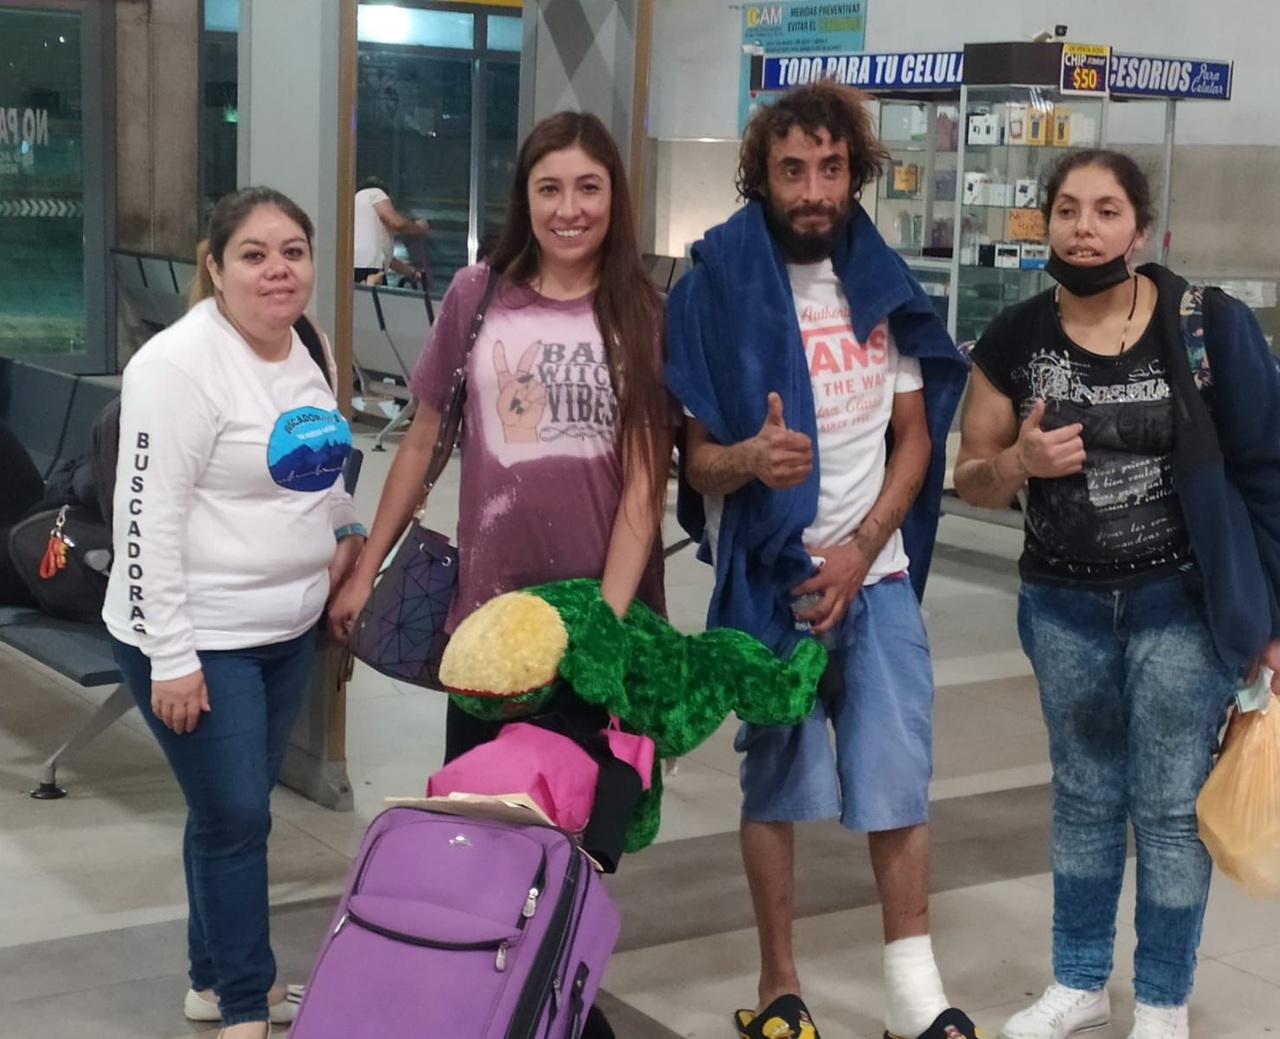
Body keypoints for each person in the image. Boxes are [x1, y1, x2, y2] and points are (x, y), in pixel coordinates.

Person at [328, 110, 672, 1039]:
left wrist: (601, 628)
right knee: (481, 840)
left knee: (579, 848)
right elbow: (423, 440)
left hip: (594, 628)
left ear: (615, 198)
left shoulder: (641, 311)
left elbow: (647, 483)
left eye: (589, 187)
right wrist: (367, 567)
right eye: (549, 188)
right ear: (525, 196)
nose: (569, 208)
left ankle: (551, 1010)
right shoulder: (478, 296)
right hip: (487, 632)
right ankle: (488, 1007)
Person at [664, 81, 973, 1039]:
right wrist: (750, 459)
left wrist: (863, 547)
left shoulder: (879, 281)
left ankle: (915, 997)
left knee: (897, 778)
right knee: (777, 781)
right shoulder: (716, 286)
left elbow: (915, 441)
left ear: (855, 173)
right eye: (792, 169)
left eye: (831, 168)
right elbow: (694, 460)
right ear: (761, 175)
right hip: (771, 579)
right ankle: (780, 986)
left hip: (873, 576)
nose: (813, 190)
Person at [954, 149, 1280, 1039]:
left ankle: (1164, 999)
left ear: (1140, 229)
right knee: (1085, 796)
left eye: (1106, 211)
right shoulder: (1015, 338)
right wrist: (1018, 461)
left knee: (1171, 808)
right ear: (1046, 222)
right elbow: (970, 474)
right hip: (1063, 606)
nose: (1084, 228)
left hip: (1180, 602)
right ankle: (1080, 979)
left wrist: (1270, 619)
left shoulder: (1206, 324)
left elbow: (1266, 471)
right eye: (1067, 209)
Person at [102, 186, 366, 1039]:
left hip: (285, 631)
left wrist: (345, 528)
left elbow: (321, 461)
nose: (277, 269)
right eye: (254, 254)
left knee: (227, 813)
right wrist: (172, 656)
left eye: (293, 251)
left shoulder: (308, 343)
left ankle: (211, 982)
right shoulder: (176, 367)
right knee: (240, 819)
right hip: (199, 636)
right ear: (215, 269)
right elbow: (144, 523)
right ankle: (248, 1005)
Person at [353, 176, 429, 286]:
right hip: (370, 272)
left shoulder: (357, 205)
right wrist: (419, 228)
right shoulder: (376, 193)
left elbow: (387, 258)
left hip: (355, 268)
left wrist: (412, 273)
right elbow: (397, 223)